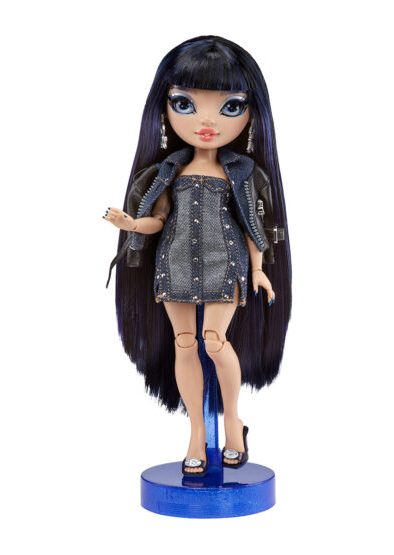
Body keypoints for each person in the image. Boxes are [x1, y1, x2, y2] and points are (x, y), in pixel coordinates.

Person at [103, 36, 291, 474]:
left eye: (230, 107)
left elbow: (252, 223)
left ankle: (233, 423)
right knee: (184, 343)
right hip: (174, 263)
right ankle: (196, 432)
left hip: (226, 262)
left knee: (214, 340)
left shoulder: (241, 171)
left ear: (251, 113)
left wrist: (259, 268)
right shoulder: (168, 171)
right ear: (164, 109)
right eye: (185, 104)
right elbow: (157, 219)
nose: (206, 121)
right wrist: (131, 225)